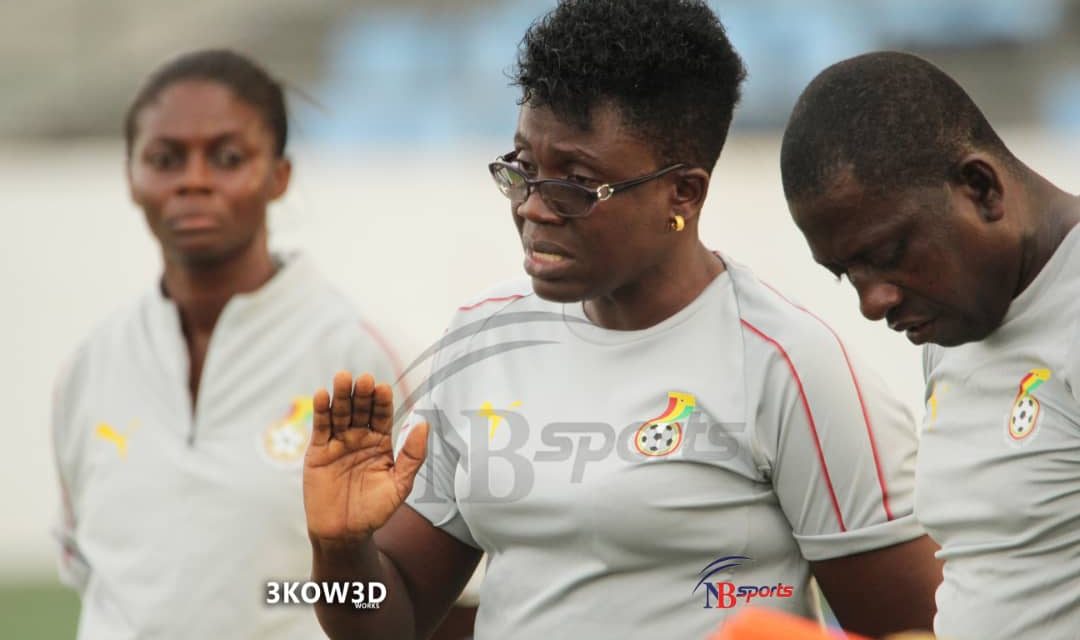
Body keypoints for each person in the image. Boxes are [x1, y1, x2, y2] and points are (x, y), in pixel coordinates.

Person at [304, 3, 942, 639]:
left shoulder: (788, 365)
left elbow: (912, 628)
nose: (534, 207)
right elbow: (391, 622)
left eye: (577, 184)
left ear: (683, 194)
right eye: (524, 168)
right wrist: (338, 548)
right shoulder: (484, 337)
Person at [51, 49, 401, 639]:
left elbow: (407, 591)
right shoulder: (90, 365)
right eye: (165, 159)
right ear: (131, 178)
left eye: (227, 157)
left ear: (279, 176)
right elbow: (93, 567)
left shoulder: (357, 357)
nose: (193, 179)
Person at [780, 51, 1080, 639]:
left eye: (887, 255)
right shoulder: (951, 325)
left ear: (980, 188)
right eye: (845, 273)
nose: (871, 303)